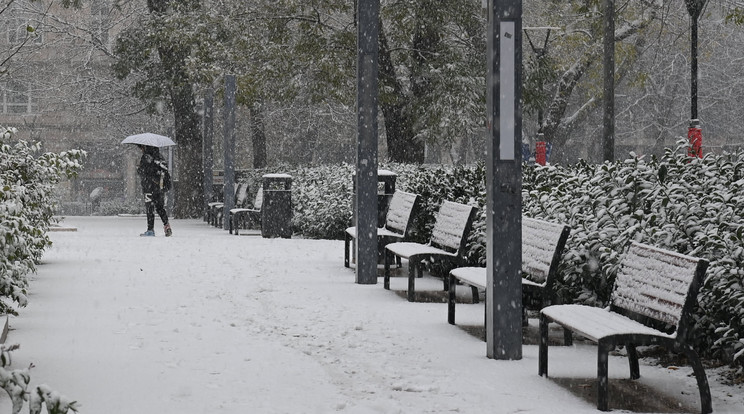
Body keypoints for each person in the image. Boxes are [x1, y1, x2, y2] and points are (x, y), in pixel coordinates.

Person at [136, 145, 172, 237]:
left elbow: (142, 172)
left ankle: (150, 230)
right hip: (159, 187)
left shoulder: (146, 157)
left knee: (150, 209)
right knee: (160, 208)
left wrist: (139, 169)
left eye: (142, 148)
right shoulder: (160, 157)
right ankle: (167, 226)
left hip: (148, 187)